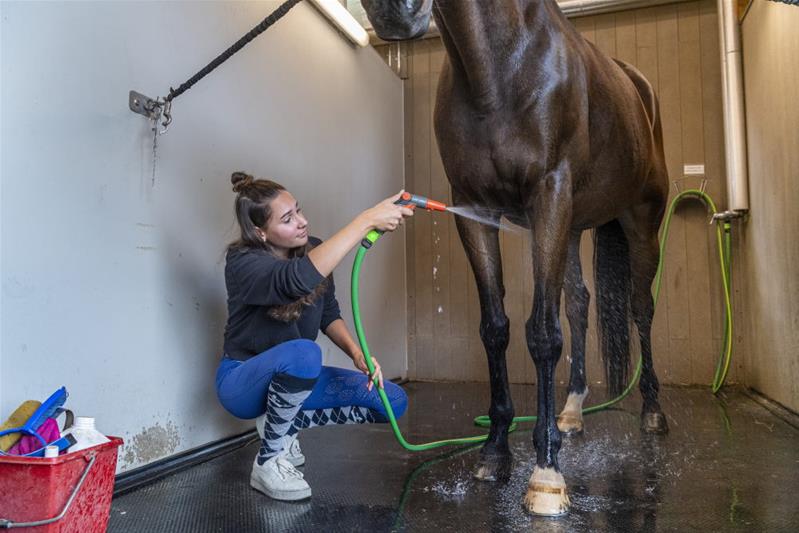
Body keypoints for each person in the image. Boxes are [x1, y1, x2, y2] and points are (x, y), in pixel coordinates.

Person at [215, 172, 414, 502]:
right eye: (288, 219)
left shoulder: (314, 250)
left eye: (299, 210)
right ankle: (268, 462)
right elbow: (294, 281)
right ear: (261, 232)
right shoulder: (242, 263)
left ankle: (282, 424)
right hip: (242, 382)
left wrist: (357, 353)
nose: (302, 222)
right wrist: (365, 221)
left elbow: (327, 312)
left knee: (391, 401)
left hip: (292, 379)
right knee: (305, 353)